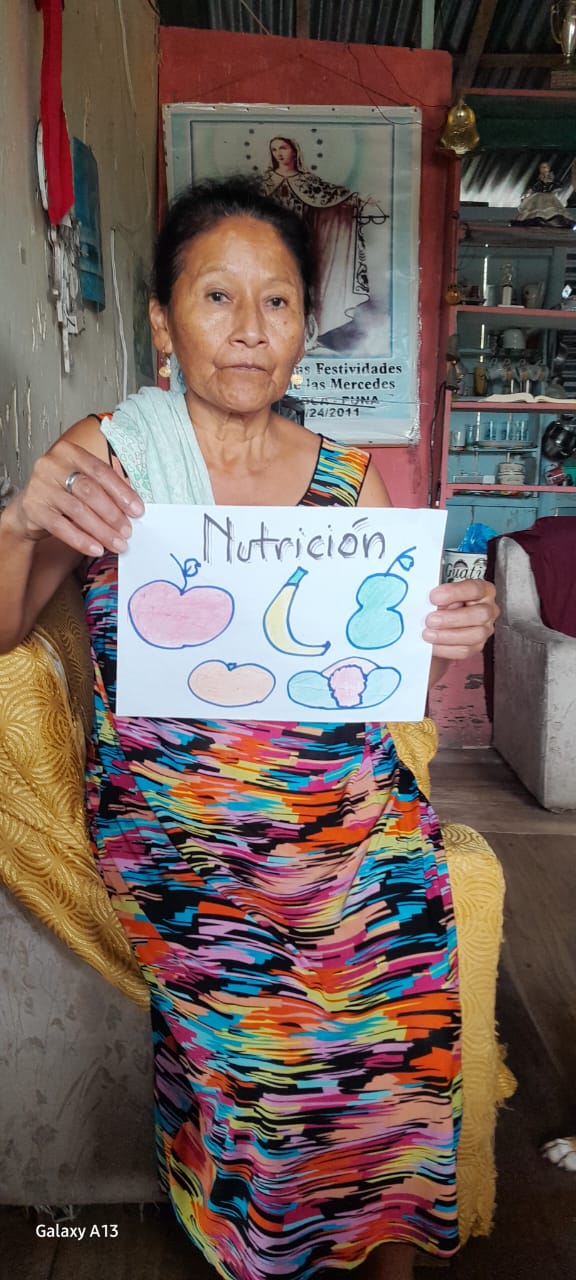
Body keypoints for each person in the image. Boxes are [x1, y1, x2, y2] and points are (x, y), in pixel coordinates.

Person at [0, 177, 498, 1280]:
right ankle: (266, 1245)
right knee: (267, 1064)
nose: (249, 327)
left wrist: (451, 632)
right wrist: (24, 517)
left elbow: (392, 682)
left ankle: (387, 1249)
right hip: (190, 837)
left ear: (304, 329)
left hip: (349, 820)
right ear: (162, 319)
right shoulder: (113, 458)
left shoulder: (347, 481)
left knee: (397, 1002)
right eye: (217, 295)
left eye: (278, 302)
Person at [261, 136, 385, 346]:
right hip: (267, 247)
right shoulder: (264, 182)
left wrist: (357, 200)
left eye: (283, 148)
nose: (279, 154)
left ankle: (305, 335)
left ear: (294, 151)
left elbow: (333, 196)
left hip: (301, 246)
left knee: (304, 288)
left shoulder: (308, 182)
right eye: (274, 150)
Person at [512, 159, 576, 229]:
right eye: (541, 167)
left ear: (548, 168)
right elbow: (532, 188)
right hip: (537, 196)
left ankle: (556, 222)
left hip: (549, 197)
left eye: (545, 167)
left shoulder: (552, 178)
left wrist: (550, 184)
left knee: (552, 210)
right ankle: (535, 221)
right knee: (535, 208)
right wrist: (528, 193)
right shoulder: (537, 178)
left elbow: (558, 186)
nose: (543, 169)